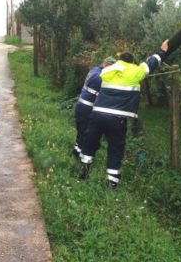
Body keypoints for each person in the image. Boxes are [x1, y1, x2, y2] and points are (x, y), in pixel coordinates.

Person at [78, 39, 169, 188]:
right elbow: (151, 63)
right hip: (117, 118)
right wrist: (163, 51)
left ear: (119, 60)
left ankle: (84, 169)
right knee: (115, 147)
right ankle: (112, 182)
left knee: (91, 141)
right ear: (132, 62)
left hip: (97, 114)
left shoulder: (107, 71)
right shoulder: (135, 71)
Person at [72, 56, 117, 159]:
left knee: (81, 131)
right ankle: (80, 155)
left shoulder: (95, 70)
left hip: (81, 106)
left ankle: (77, 151)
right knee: (85, 133)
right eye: (112, 68)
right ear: (106, 64)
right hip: (86, 108)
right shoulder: (99, 77)